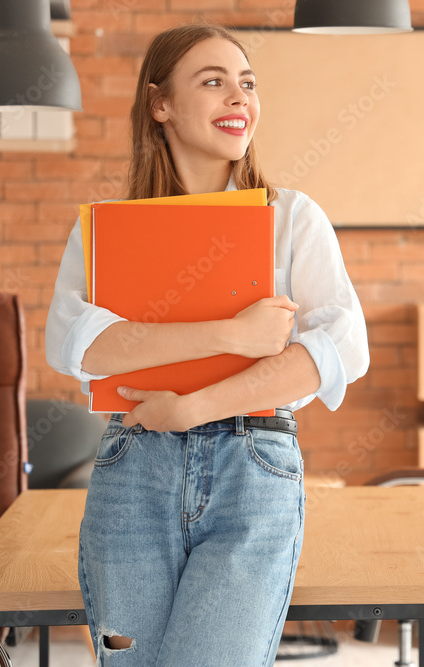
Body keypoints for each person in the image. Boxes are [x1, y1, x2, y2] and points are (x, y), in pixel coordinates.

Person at [45, 23, 369, 666]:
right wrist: (234, 335)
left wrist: (192, 407)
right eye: (214, 82)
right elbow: (76, 347)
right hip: (133, 470)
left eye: (247, 84)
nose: (238, 99)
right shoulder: (108, 230)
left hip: (254, 468)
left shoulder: (292, 218)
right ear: (160, 103)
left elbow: (340, 350)